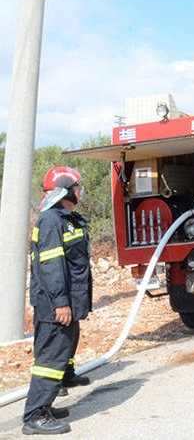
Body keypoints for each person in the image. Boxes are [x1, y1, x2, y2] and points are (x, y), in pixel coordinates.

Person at [22, 167, 93, 435]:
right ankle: (35, 415)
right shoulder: (51, 221)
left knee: (62, 348)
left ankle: (47, 405)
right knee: (50, 358)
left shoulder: (64, 219)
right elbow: (52, 267)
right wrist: (61, 303)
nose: (80, 191)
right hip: (54, 303)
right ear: (64, 190)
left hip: (65, 301)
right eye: (76, 187)